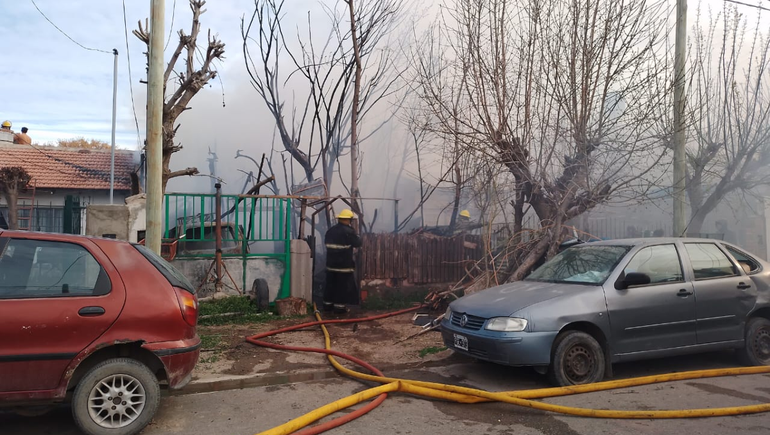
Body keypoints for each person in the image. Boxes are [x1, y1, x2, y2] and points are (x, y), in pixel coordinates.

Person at [323, 209, 363, 313]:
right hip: (344, 266)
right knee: (342, 287)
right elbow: (358, 243)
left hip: (331, 265)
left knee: (330, 286)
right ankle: (339, 308)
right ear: (348, 220)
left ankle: (327, 306)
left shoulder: (330, 231)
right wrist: (356, 235)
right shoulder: (349, 232)